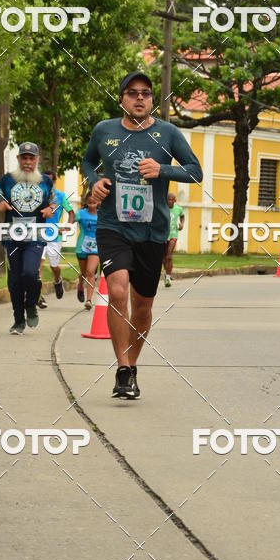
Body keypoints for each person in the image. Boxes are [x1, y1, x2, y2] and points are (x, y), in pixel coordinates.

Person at [82, 70, 203, 400]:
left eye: (145, 93)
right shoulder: (104, 131)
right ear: (121, 98)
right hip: (113, 226)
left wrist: (162, 170)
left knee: (143, 306)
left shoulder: (168, 134)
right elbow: (88, 162)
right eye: (132, 92)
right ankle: (123, 370)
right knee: (117, 291)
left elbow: (196, 172)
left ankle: (131, 366)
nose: (139, 98)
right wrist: (94, 181)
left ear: (152, 99)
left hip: (152, 231)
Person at [0, 142, 55, 334]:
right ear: (18, 159)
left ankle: (31, 303)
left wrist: (50, 209)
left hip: (35, 236)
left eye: (31, 158)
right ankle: (18, 320)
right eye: (24, 158)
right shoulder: (7, 180)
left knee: (29, 273)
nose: (28, 162)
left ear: (37, 160)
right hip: (12, 237)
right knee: (15, 281)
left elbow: (54, 203)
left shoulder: (45, 181)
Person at [38, 169, 75, 306]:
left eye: (49, 180)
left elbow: (71, 213)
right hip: (38, 235)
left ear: (53, 181)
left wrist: (68, 228)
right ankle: (39, 296)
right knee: (38, 266)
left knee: (55, 267)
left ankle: (58, 280)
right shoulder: (37, 195)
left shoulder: (61, 196)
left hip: (54, 237)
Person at [75, 191, 99, 310]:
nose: (92, 203)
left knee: (90, 272)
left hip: (96, 247)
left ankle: (89, 300)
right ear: (87, 202)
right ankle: (80, 285)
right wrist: (62, 229)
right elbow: (70, 222)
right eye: (90, 202)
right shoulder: (81, 214)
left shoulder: (103, 215)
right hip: (82, 247)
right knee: (84, 273)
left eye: (94, 201)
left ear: (98, 202)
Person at [163, 192, 184, 287]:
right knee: (163, 258)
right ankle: (167, 273)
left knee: (169, 256)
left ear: (175, 200)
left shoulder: (178, 209)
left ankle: (168, 277)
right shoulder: (162, 208)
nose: (170, 201)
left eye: (172, 200)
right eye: (168, 199)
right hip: (163, 235)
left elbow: (182, 216)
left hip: (173, 235)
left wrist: (181, 224)